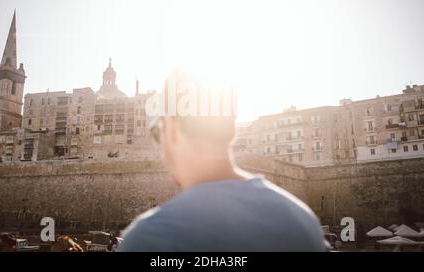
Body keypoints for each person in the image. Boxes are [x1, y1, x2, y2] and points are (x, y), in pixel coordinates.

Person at [118, 71, 326, 252]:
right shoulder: (302, 222)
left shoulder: (150, 238)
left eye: (157, 135)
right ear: (230, 130)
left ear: (170, 130)